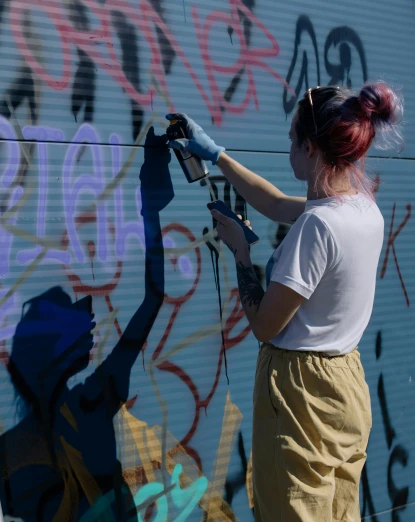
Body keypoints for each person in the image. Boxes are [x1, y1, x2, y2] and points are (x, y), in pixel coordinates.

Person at [166, 81, 403, 522]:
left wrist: (240, 251)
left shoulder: (318, 228)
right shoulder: (362, 209)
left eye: (292, 140)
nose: (287, 147)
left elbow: (264, 324)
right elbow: (274, 203)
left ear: (310, 148)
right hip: (345, 385)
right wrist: (215, 155)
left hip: (300, 393)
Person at [0, 129, 174, 521]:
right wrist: (150, 209)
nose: (90, 323)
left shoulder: (8, 448)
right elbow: (153, 297)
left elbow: (153, 299)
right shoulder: (92, 402)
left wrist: (151, 207)